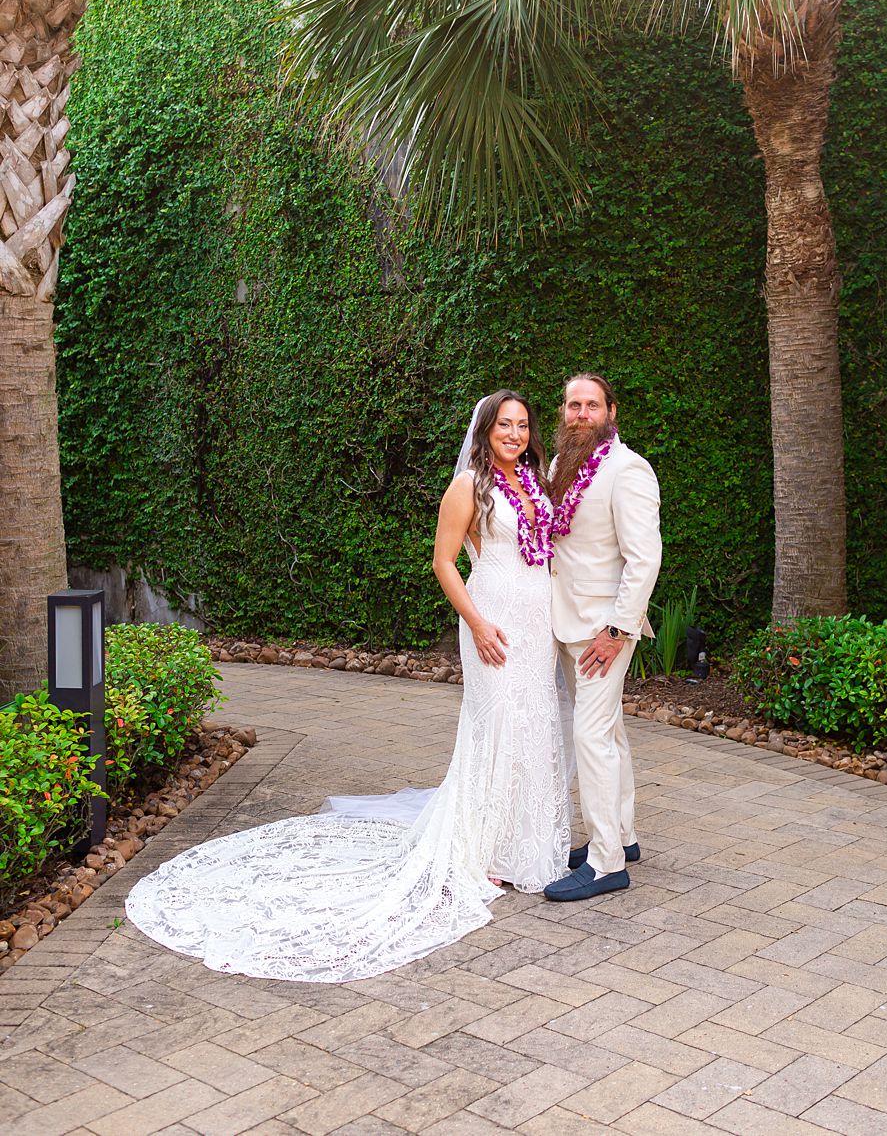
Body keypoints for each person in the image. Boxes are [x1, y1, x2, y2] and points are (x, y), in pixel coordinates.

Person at [123, 391, 574, 981]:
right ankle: (481, 850)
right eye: (504, 425)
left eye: (522, 425)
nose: (514, 434)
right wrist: (476, 621)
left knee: (532, 725)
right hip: (492, 616)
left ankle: (526, 843)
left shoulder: (535, 478)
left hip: (536, 619)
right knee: (497, 727)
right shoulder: (468, 486)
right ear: (486, 430)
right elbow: (443, 561)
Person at [539, 372, 661, 902]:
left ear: (612, 411)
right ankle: (624, 837)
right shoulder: (559, 466)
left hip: (603, 631)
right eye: (573, 405)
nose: (581, 413)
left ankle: (607, 862)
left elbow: (644, 558)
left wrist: (617, 630)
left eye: (591, 405)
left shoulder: (628, 470)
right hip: (565, 620)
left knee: (590, 737)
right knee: (607, 733)